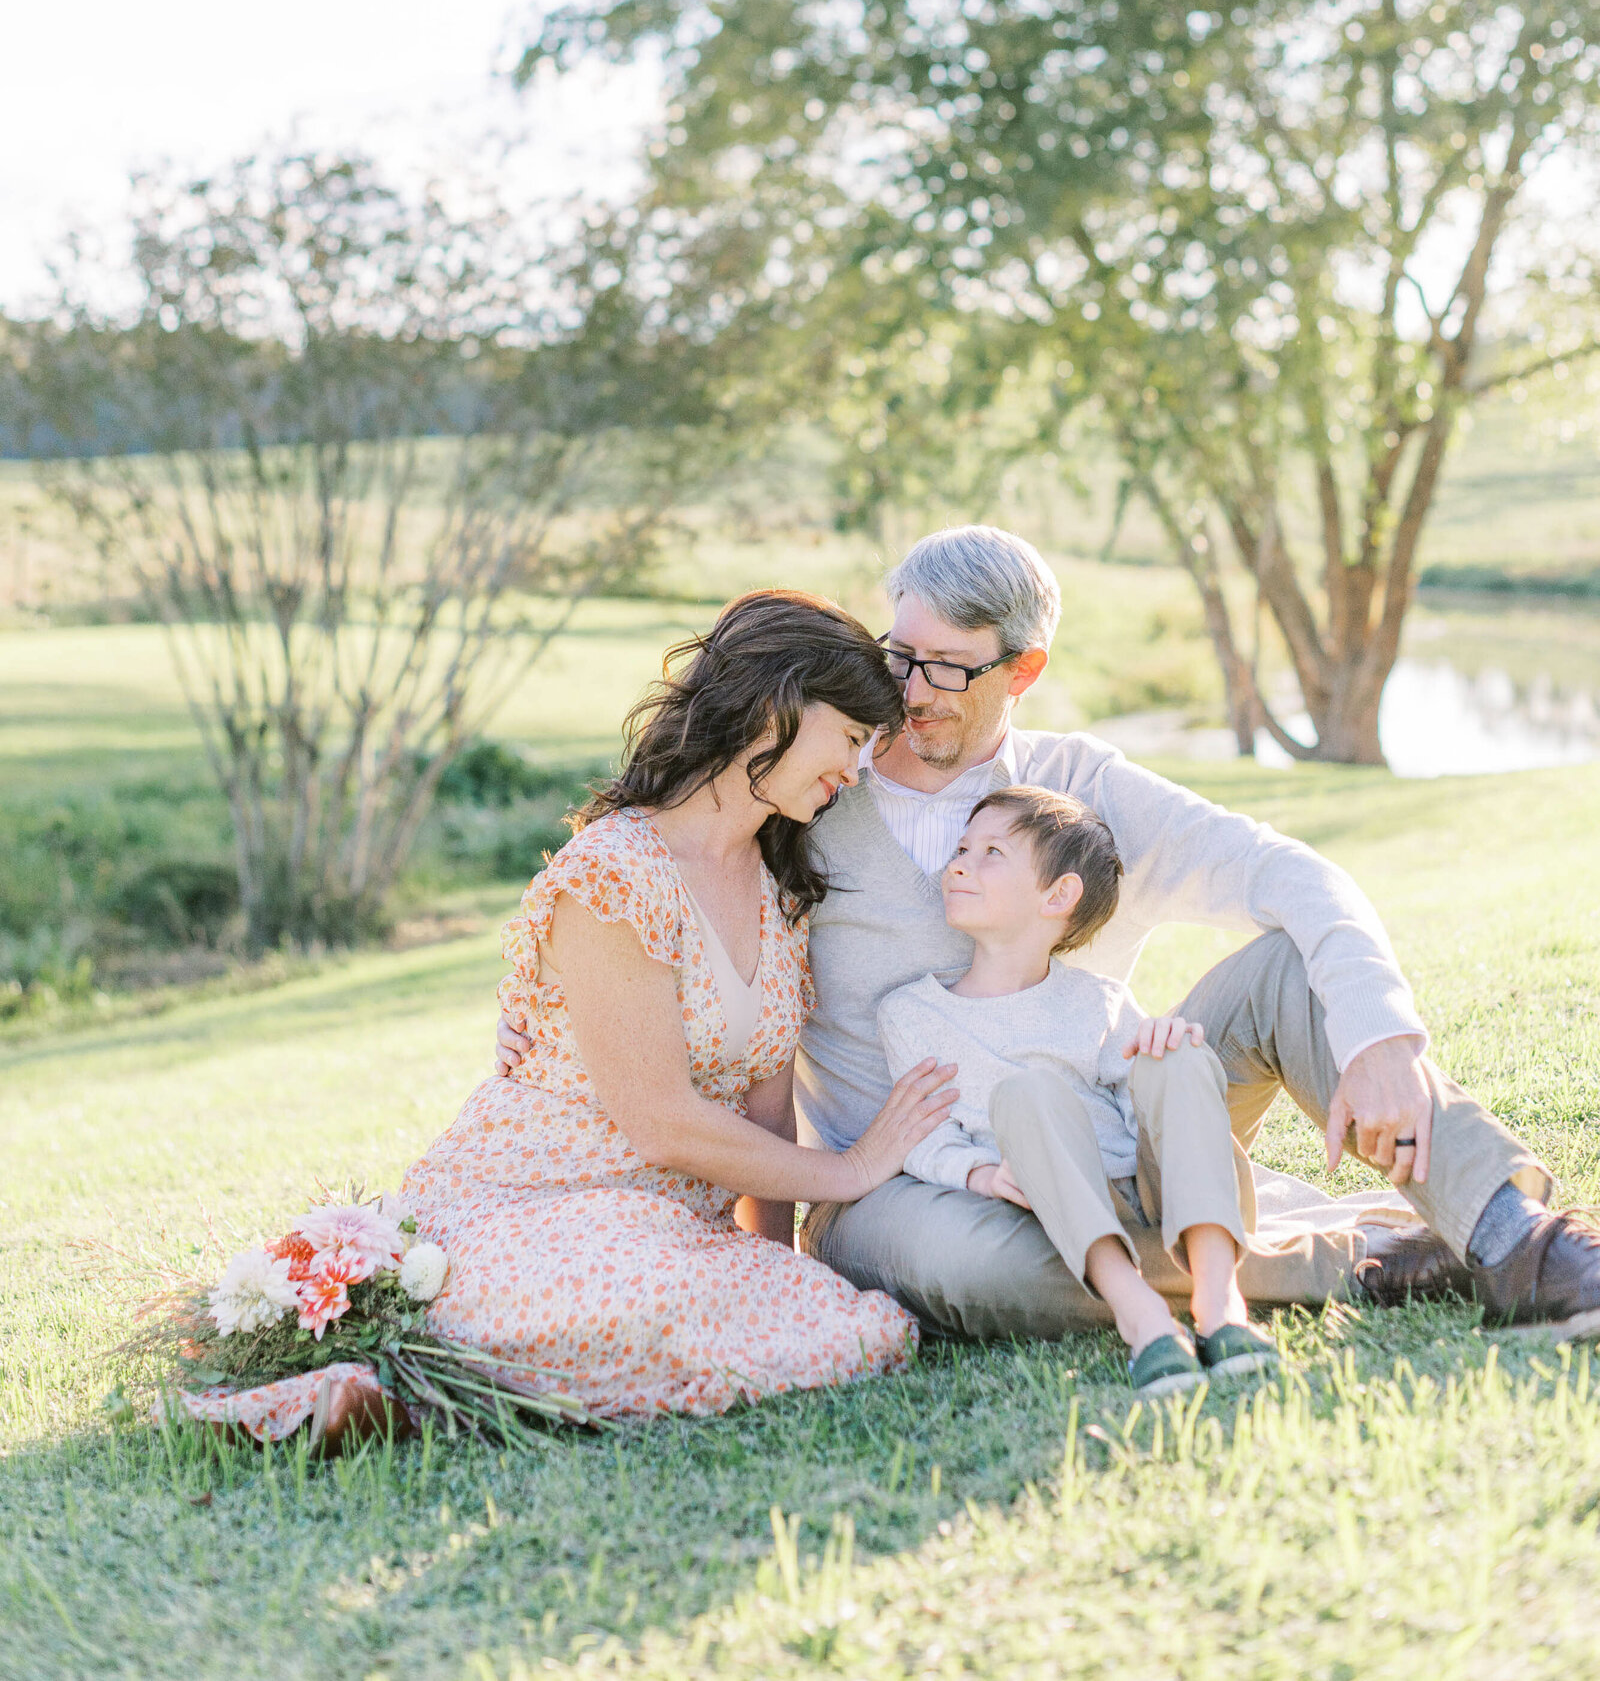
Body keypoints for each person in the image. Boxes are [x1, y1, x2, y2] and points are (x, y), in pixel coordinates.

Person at [790, 526, 1599, 1340]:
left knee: (1290, 966)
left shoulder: (1082, 785)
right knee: (983, 1268)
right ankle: (1365, 1253)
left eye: (949, 669)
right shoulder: (819, 788)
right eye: (900, 654)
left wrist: (1379, 1034)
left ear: (1023, 670)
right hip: (907, 1181)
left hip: (1119, 1145)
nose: (912, 691)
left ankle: (1517, 1242)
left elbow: (1288, 873)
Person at [401, 590, 958, 1419]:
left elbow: (767, 1116)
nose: (855, 768)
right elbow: (659, 1118)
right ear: (776, 708)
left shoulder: (779, 892)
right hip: (538, 1202)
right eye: (848, 737)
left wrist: (775, 1267)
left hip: (667, 1227)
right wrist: (849, 1169)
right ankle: (394, 1380)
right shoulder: (615, 872)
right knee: (646, 1302)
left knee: (851, 1325)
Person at [877, 785, 1280, 1399]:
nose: (958, 863)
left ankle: (1220, 1305)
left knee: (1177, 1051)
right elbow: (922, 1135)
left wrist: (1164, 1047)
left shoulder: (1097, 1000)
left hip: (1144, 1187)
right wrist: (980, 1176)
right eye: (961, 848)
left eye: (991, 853)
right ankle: (1141, 1316)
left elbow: (1140, 1106)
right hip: (1052, 1199)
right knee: (1027, 1092)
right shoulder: (911, 1014)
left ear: (1058, 895)